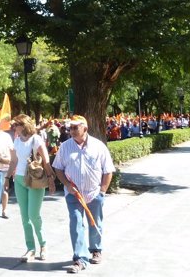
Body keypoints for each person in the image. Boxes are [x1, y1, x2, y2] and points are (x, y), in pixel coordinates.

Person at [52, 115, 115, 274]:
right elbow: (58, 168)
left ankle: (95, 249)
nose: (71, 130)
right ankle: (79, 258)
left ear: (85, 128)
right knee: (76, 223)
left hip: (94, 193)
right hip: (73, 195)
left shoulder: (98, 146)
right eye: (70, 128)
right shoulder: (65, 147)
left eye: (75, 128)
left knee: (95, 223)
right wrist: (67, 185)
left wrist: (102, 191)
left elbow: (108, 170)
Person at [12, 114, 57, 263]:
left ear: (23, 125)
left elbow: (46, 160)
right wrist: (7, 178)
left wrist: (51, 179)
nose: (14, 127)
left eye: (16, 124)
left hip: (34, 180)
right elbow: (14, 160)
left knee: (33, 215)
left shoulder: (35, 139)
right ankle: (30, 248)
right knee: (25, 218)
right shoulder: (17, 140)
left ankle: (43, 245)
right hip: (18, 179)